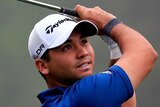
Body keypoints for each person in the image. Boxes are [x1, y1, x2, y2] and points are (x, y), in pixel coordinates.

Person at [28, 5, 158, 107]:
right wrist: (109, 23)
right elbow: (146, 53)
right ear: (43, 65)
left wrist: (114, 45)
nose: (83, 52)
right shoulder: (83, 96)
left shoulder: (58, 102)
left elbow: (123, 100)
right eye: (67, 47)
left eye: (84, 41)